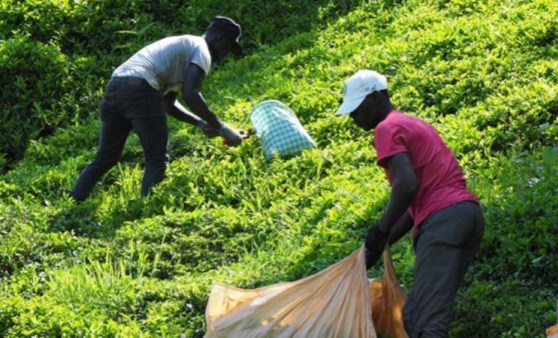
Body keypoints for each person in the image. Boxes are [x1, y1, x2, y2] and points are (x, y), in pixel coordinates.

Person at [335, 70, 485, 337]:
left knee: (426, 324)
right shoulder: (411, 123)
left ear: (377, 97)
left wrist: (380, 229)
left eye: (357, 108)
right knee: (416, 315)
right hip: (465, 215)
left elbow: (406, 185)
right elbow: (414, 198)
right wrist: (384, 241)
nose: (353, 117)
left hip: (443, 222)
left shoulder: (386, 128)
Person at [70, 16, 246, 201]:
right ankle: (147, 211)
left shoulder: (187, 45)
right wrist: (222, 127)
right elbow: (191, 94)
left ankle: (74, 201)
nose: (225, 55)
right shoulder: (202, 50)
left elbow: (166, 102)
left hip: (115, 87)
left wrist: (201, 123)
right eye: (228, 48)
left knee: (106, 157)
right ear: (220, 39)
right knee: (157, 159)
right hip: (141, 89)